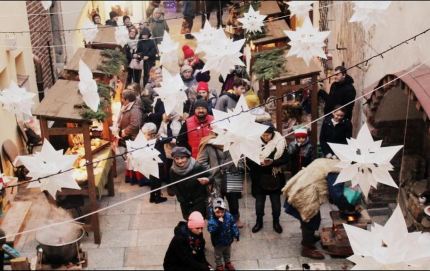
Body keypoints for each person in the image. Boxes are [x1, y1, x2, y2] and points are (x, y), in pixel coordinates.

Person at [197, 133, 244, 228]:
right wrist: (213, 171)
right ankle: (220, 220)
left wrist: (240, 166)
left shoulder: (235, 143)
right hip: (215, 179)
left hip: (233, 176)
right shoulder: (208, 145)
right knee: (218, 202)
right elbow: (201, 163)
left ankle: (235, 218)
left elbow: (241, 159)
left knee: (234, 201)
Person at [248, 126, 287, 234]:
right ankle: (259, 222)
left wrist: (272, 162)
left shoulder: (280, 142)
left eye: (268, 135)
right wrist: (258, 162)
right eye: (263, 135)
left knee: (276, 204)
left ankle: (276, 222)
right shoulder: (254, 142)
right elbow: (249, 159)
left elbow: (285, 159)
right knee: (259, 204)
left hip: (275, 176)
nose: (265, 137)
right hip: (259, 177)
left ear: (272, 133)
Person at [169, 147, 212, 219]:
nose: (180, 161)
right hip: (184, 202)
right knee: (188, 220)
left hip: (198, 200)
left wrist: (207, 180)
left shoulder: (196, 166)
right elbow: (174, 185)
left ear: (188, 157)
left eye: (182, 158)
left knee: (197, 222)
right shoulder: (172, 170)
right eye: (177, 158)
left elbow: (211, 176)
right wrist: (180, 198)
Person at [207, 198, 239, 271]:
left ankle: (227, 263)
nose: (220, 214)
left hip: (228, 240)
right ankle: (219, 265)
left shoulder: (228, 216)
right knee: (218, 255)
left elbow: (233, 225)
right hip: (218, 242)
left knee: (227, 253)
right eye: (218, 212)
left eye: (222, 212)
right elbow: (211, 230)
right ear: (214, 211)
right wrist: (218, 223)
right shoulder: (212, 219)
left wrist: (236, 234)